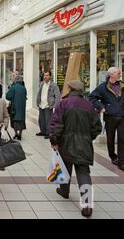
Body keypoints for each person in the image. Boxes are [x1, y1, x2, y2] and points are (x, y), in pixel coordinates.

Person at [49, 80, 102, 218]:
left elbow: (57, 124)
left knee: (65, 167)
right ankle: (87, 205)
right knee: (83, 173)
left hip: (66, 143)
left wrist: (54, 140)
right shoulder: (89, 105)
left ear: (69, 88)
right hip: (84, 145)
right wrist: (87, 137)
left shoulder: (64, 103)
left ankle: (64, 191)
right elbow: (97, 127)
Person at [89, 67, 124, 170]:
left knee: (122, 139)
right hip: (110, 117)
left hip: (122, 116)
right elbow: (92, 97)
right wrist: (102, 108)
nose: (120, 74)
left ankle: (121, 162)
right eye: (118, 73)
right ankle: (113, 157)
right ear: (111, 75)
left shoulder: (123, 85)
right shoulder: (103, 87)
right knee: (110, 139)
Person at [36, 71, 61, 139]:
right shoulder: (41, 84)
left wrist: (55, 106)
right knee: (41, 120)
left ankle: (49, 133)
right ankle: (43, 131)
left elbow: (58, 96)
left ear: (50, 76)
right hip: (41, 105)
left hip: (48, 105)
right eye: (44, 75)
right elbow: (39, 93)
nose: (45, 77)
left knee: (48, 120)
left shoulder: (54, 85)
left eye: (47, 75)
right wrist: (37, 102)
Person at [6, 75, 27, 140]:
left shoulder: (13, 87)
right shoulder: (24, 88)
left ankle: (16, 134)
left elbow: (8, 97)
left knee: (14, 121)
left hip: (14, 107)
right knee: (21, 121)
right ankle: (20, 134)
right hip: (22, 108)